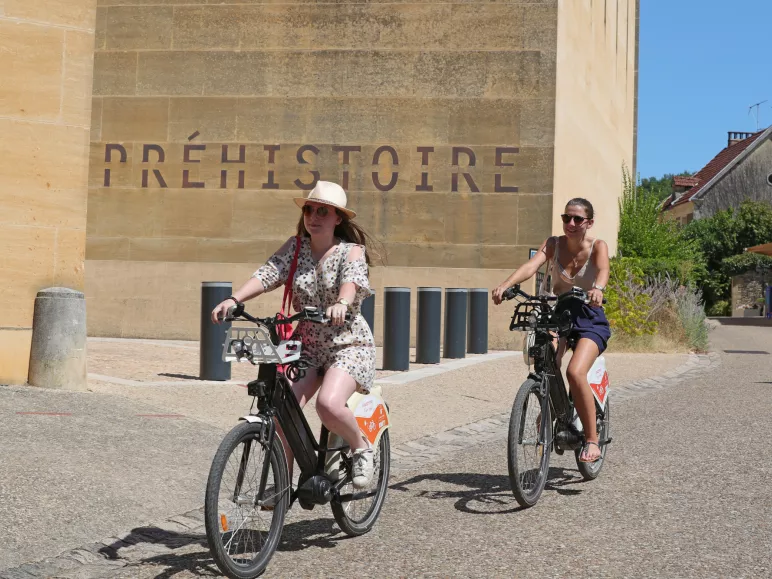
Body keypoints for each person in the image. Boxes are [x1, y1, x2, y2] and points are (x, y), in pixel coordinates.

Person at [211, 181, 378, 487]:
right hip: (308, 345)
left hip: (348, 345)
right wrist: (235, 299)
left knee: (328, 405)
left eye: (323, 211)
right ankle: (283, 484)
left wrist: (342, 303)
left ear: (338, 218)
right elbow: (268, 273)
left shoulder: (350, 252)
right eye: (309, 209)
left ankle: (361, 447)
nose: (314, 216)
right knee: (279, 409)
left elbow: (352, 282)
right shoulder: (295, 247)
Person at [492, 198, 611, 462]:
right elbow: (531, 267)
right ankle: (552, 411)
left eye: (577, 219)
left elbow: (603, 271)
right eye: (566, 218)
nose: (570, 223)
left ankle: (591, 440)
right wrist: (506, 284)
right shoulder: (553, 244)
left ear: (589, 223)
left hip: (589, 319)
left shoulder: (597, 246)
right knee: (546, 363)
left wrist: (598, 290)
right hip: (559, 315)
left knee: (575, 371)